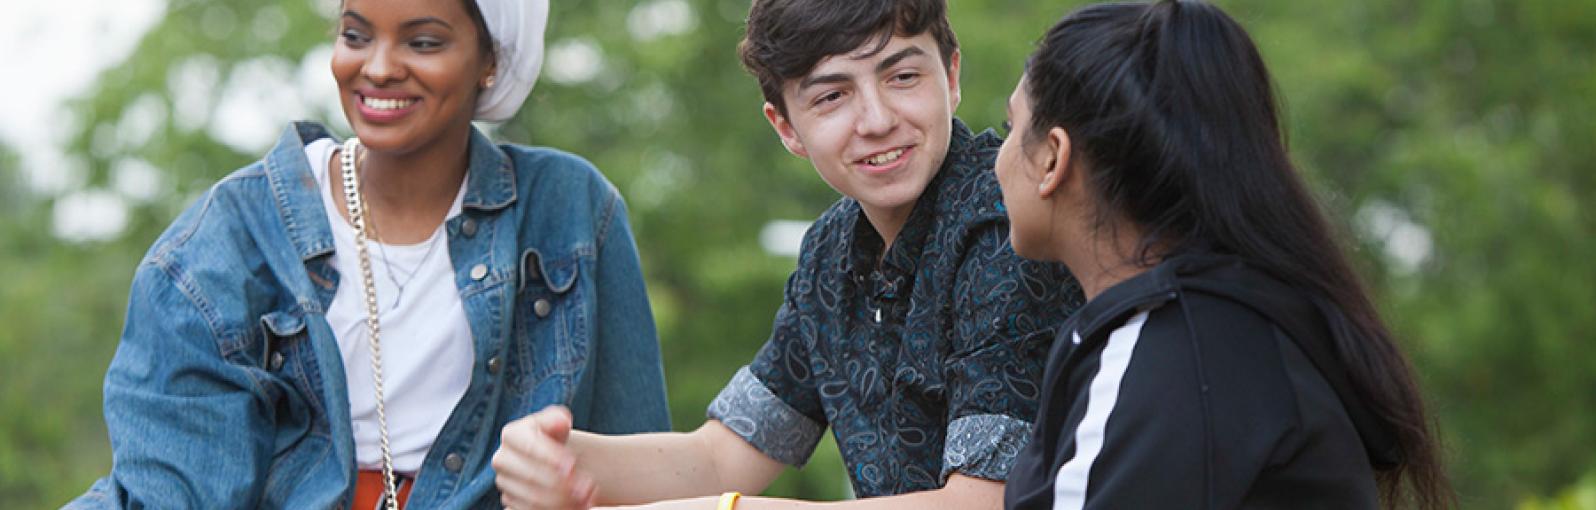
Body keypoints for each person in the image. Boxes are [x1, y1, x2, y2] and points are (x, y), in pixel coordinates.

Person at [66, 0, 670, 508]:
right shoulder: (221, 247)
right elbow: (177, 491)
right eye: (355, 35)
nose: (377, 68)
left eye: (424, 42)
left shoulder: (569, 210)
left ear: (490, 60)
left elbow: (643, 474)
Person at [491, 1, 1082, 509]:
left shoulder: (1006, 219)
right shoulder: (829, 252)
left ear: (951, 76)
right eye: (832, 96)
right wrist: (563, 457)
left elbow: (983, 501)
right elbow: (724, 457)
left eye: (902, 77)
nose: (877, 120)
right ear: (786, 128)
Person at [989, 1, 1453, 508]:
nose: (999, 158)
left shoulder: (1174, 359)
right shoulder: (1216, 332)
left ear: (1054, 157)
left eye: (1012, 127)